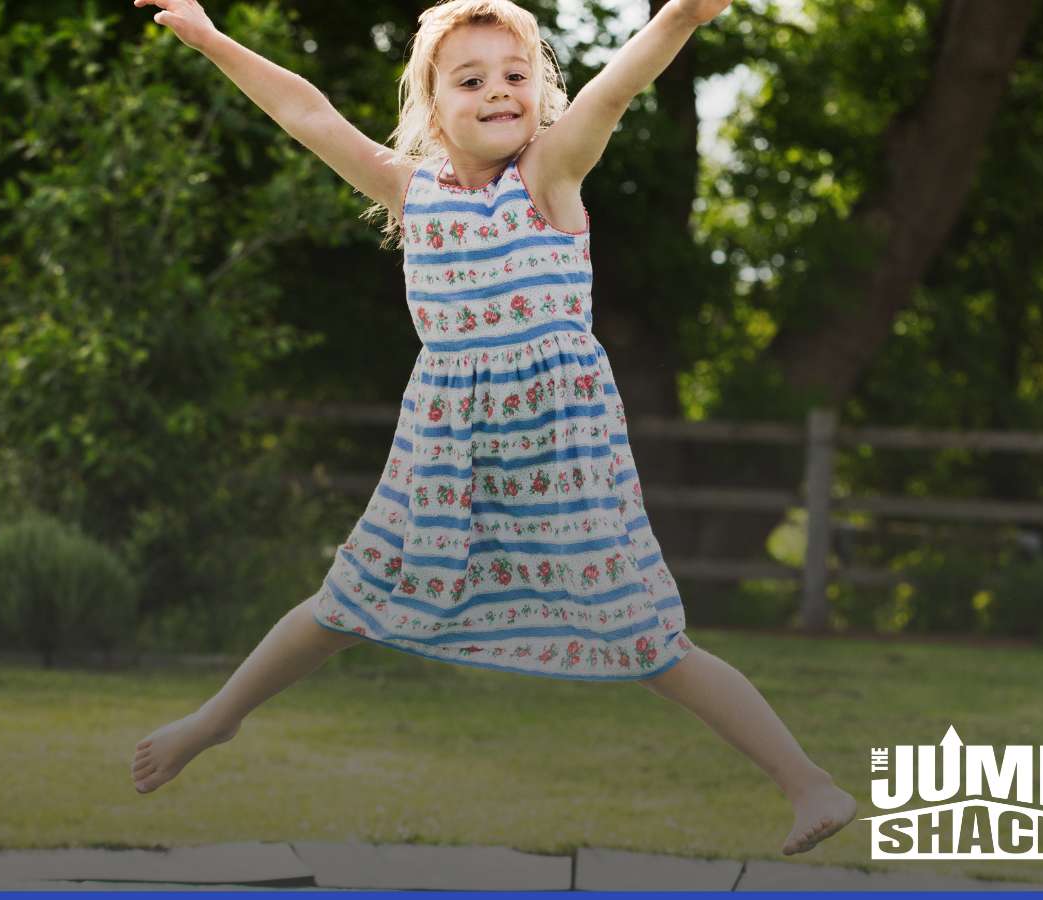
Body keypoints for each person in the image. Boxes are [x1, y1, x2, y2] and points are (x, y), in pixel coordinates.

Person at [128, 0, 857, 856]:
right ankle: (214, 721)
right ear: (433, 108)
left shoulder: (548, 177)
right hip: (447, 458)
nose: (498, 92)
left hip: (562, 453)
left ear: (541, 97)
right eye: (470, 80)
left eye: (516, 76)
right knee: (346, 600)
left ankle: (805, 780)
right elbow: (305, 111)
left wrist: (682, 20)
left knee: (651, 641)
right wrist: (210, 39)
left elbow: (614, 92)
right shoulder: (413, 190)